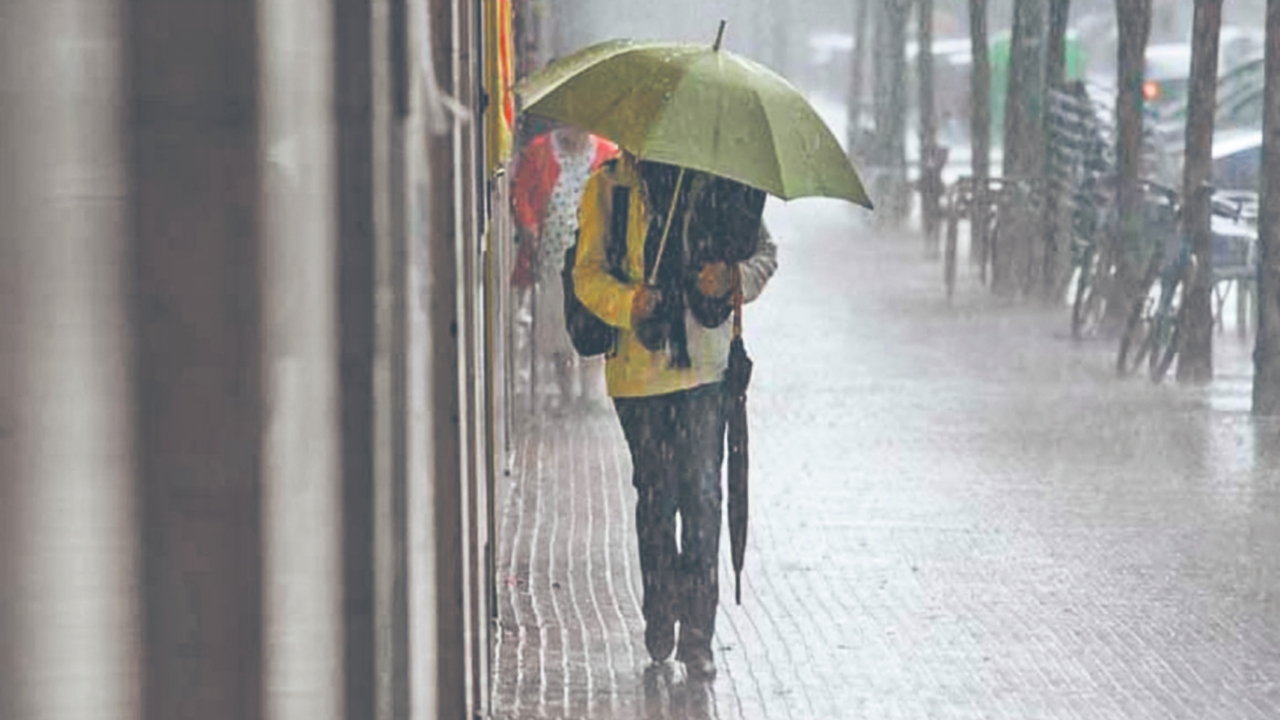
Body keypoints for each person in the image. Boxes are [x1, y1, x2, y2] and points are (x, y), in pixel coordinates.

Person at [573, 151, 777, 680]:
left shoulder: (713, 181)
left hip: (704, 373)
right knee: (657, 495)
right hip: (637, 378)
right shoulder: (609, 188)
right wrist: (628, 302)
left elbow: (764, 253)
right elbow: (586, 273)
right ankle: (660, 607)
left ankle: (697, 636)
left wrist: (731, 276)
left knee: (704, 497)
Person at [511, 122, 617, 412]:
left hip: (593, 256)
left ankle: (590, 389)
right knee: (556, 324)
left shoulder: (608, 153)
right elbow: (521, 194)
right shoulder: (539, 152)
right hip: (552, 258)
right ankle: (567, 390)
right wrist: (529, 225)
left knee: (592, 316)